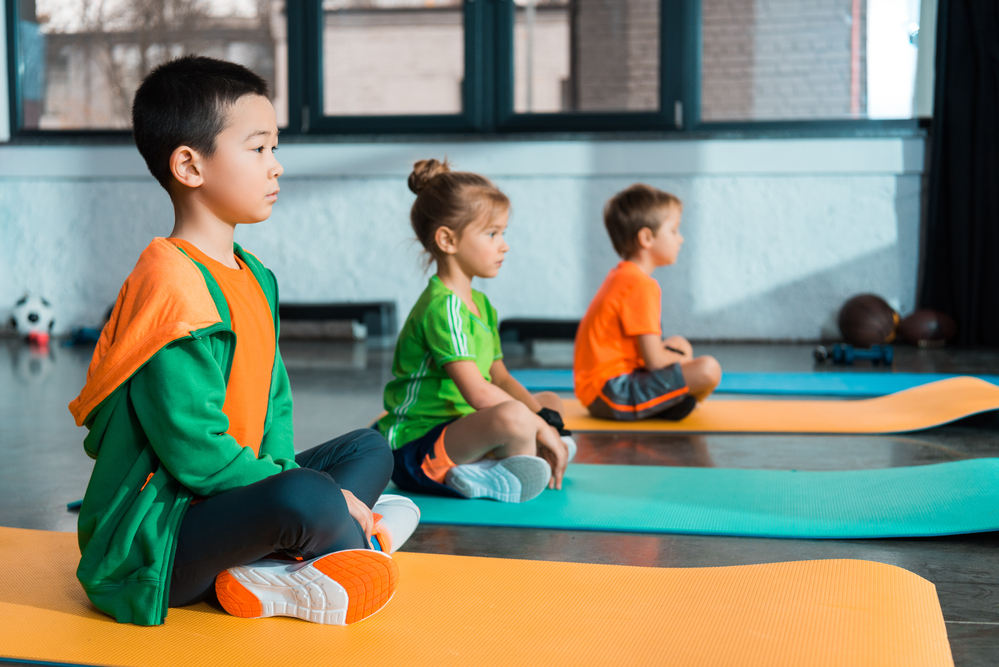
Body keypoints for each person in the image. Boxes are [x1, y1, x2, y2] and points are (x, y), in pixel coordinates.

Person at [67, 56, 418, 627]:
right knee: (307, 497)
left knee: (370, 449)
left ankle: (291, 555)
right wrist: (312, 492)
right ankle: (328, 538)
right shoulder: (171, 284)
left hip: (227, 501)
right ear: (189, 165)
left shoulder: (255, 275)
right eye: (258, 149)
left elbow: (275, 402)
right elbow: (197, 454)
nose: (276, 167)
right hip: (163, 538)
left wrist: (293, 475)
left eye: (274, 148)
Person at [377, 159, 574, 504]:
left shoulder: (480, 304)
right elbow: (478, 393)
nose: (504, 245)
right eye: (492, 233)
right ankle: (476, 468)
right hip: (414, 451)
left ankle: (489, 468)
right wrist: (540, 427)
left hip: (459, 430)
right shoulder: (443, 306)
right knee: (517, 418)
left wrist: (546, 418)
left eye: (503, 233)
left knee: (547, 401)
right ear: (447, 240)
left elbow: (500, 376)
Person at [574, 184, 722, 421]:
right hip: (612, 392)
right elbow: (655, 361)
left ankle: (668, 404)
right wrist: (686, 362)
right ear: (646, 238)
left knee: (678, 343)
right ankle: (668, 405)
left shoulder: (622, 276)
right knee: (708, 369)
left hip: (598, 392)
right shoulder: (640, 285)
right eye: (674, 231)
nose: (680, 239)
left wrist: (679, 356)